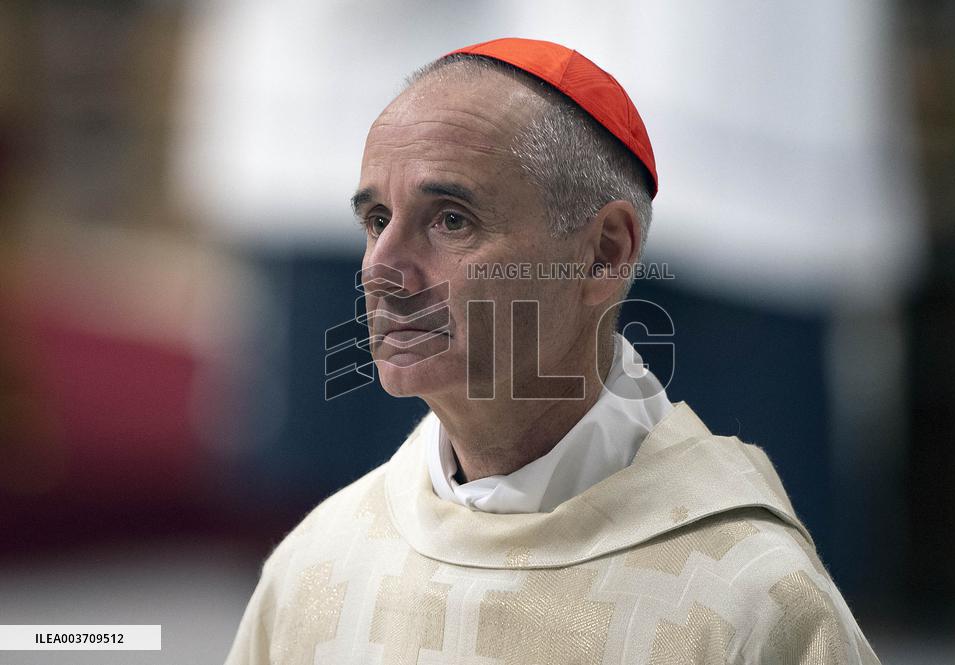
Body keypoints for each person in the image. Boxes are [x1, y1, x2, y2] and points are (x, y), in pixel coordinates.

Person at [225, 37, 880, 664]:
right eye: (375, 221)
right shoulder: (315, 566)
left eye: (451, 219)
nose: (380, 268)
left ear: (604, 255)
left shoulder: (752, 597)